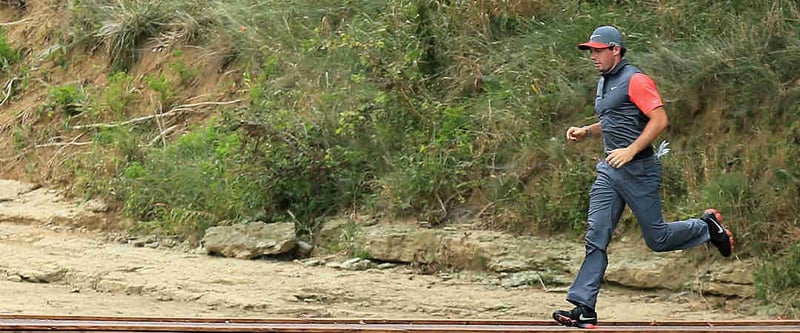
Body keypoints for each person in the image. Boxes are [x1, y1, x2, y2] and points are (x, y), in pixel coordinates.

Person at [552, 25, 735, 329]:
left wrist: (631, 150)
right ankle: (584, 307)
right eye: (590, 52)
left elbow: (660, 119)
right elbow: (615, 119)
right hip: (610, 171)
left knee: (658, 239)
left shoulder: (635, 79)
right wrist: (588, 130)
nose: (593, 56)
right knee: (596, 236)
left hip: (640, 171)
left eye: (598, 51)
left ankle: (706, 227)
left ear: (616, 50)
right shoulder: (605, 82)